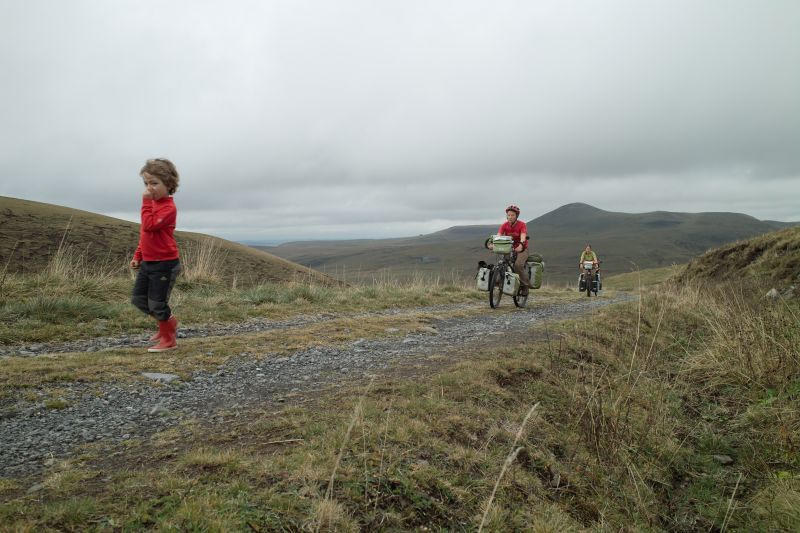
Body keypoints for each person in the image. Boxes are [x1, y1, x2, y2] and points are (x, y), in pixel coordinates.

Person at [130, 158, 182, 352]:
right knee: (138, 299)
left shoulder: (168, 208)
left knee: (157, 303)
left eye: (154, 183)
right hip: (149, 263)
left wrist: (145, 202)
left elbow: (149, 226)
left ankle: (169, 340)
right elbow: (145, 235)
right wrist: (138, 255)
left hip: (165, 264)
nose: (149, 188)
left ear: (168, 185)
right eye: (146, 183)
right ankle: (168, 324)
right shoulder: (152, 206)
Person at [488, 204, 531, 296]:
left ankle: (525, 286)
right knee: (502, 263)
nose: (510, 217)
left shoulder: (522, 225)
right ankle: (498, 282)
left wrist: (521, 244)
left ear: (516, 216)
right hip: (509, 247)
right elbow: (498, 235)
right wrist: (493, 244)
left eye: (512, 215)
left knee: (518, 265)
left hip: (522, 248)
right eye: (509, 215)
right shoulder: (504, 225)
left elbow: (523, 235)